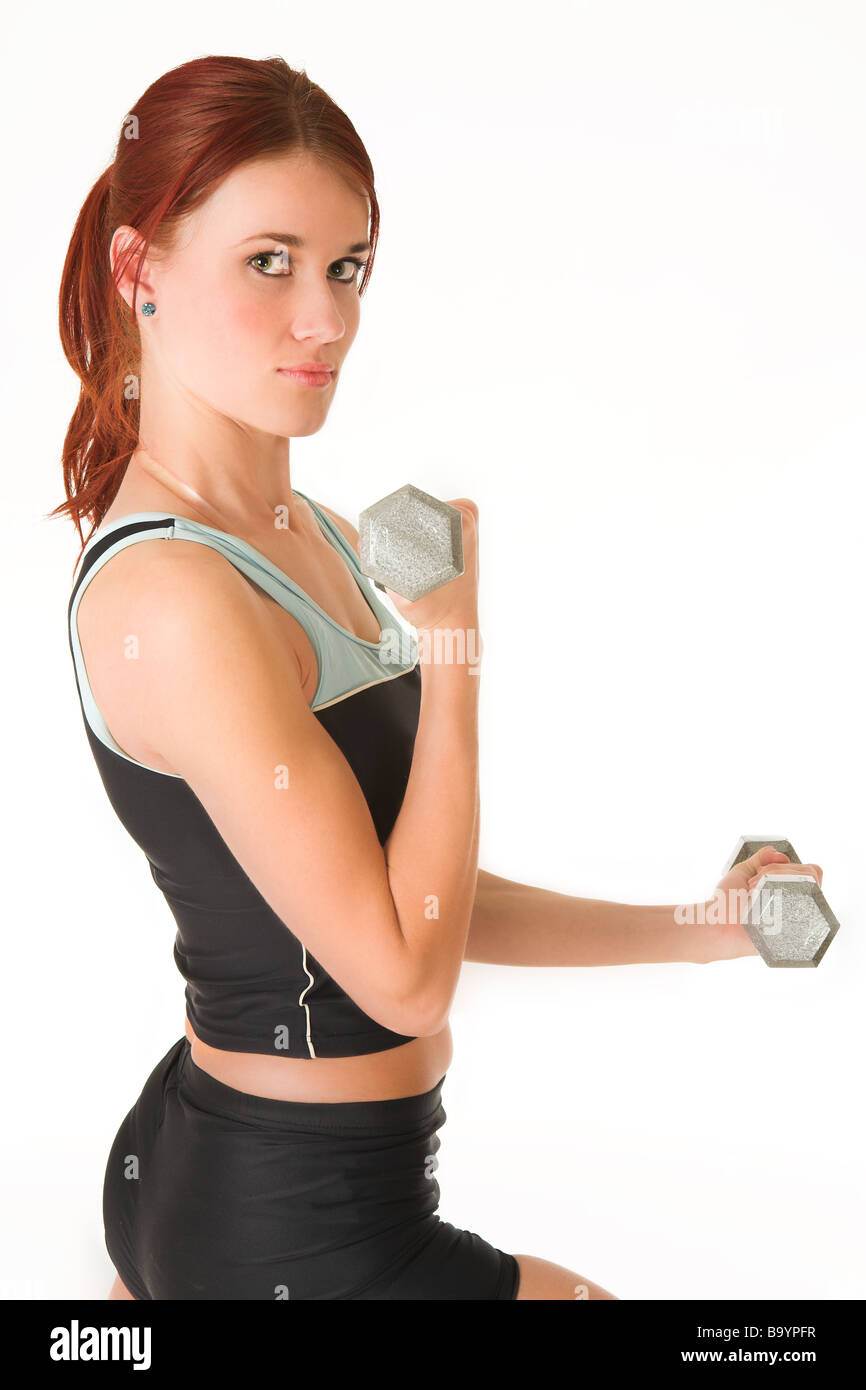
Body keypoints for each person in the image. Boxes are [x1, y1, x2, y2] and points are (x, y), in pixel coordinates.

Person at [55, 55, 823, 1301]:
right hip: (288, 1227)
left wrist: (700, 931)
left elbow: (413, 899)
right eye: (270, 262)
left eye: (346, 265)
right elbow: (402, 975)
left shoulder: (309, 535)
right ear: (140, 271)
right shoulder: (175, 599)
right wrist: (456, 652)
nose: (328, 318)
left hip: (229, 1158)